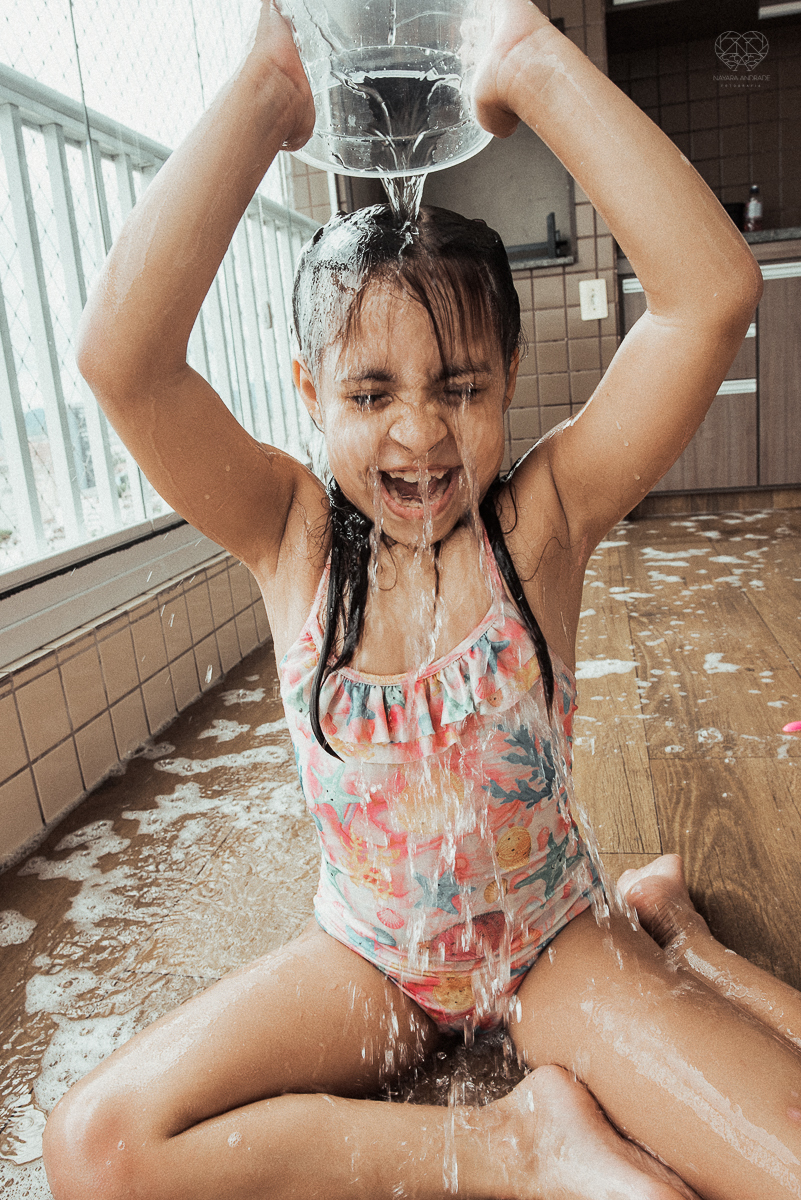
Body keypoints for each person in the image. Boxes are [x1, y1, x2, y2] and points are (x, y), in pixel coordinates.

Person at [42, 1, 801, 1197]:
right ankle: (514, 1144)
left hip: (551, 944)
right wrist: (261, 98)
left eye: (460, 384)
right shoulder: (289, 536)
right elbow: (119, 361)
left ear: (509, 377)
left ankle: (677, 936)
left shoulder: (545, 519)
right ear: (309, 392)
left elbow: (709, 295)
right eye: (370, 391)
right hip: (372, 959)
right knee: (97, 1147)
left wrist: (530, 62)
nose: (419, 431)